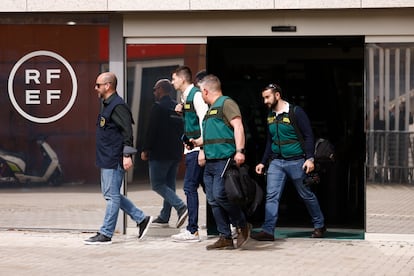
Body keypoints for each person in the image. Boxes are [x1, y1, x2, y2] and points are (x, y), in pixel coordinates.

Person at [84, 72, 152, 245]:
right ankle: (141, 218)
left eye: (98, 85)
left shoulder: (118, 105)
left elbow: (127, 132)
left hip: (114, 157)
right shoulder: (107, 104)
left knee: (112, 196)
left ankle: (106, 233)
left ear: (107, 86)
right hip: (106, 156)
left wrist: (127, 155)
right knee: (110, 194)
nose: (95, 88)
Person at [251, 83, 326, 241]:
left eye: (267, 97)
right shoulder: (270, 115)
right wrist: (263, 162)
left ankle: (319, 225)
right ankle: (268, 231)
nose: (265, 101)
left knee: (306, 194)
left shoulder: (295, 112)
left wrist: (309, 159)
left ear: (277, 95)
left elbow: (308, 136)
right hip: (277, 162)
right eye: (263, 97)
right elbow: (269, 141)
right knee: (272, 196)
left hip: (297, 161)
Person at [191, 74, 250, 250]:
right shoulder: (211, 110)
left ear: (205, 90)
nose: (201, 95)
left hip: (224, 159)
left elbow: (238, 126)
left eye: (201, 91)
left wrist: (240, 151)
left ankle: (242, 224)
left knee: (220, 195)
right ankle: (225, 237)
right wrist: (197, 143)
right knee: (212, 200)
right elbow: (213, 135)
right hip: (210, 161)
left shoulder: (226, 103)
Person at [140, 79, 188, 229]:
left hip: (160, 153)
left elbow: (151, 130)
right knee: (169, 185)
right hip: (174, 153)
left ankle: (181, 207)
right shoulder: (177, 107)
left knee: (158, 184)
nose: (154, 92)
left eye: (155, 89)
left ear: (161, 89)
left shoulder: (158, 107)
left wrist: (145, 149)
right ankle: (165, 216)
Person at [170, 66, 209, 242]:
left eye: (174, 78)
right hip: (191, 148)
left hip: (198, 149)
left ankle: (192, 230)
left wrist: (202, 149)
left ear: (182, 79)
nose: (172, 82)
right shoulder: (186, 97)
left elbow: (204, 121)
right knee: (210, 190)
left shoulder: (197, 95)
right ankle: (235, 223)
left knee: (189, 187)